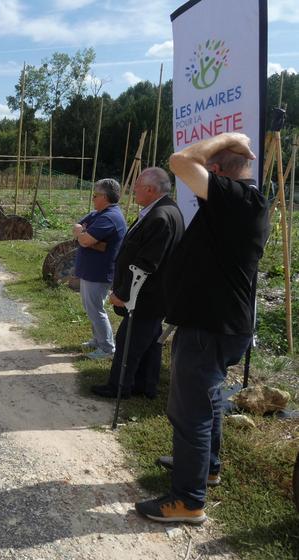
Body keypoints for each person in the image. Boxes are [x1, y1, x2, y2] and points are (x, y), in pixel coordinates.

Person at [135, 132, 270, 524]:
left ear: (214, 172)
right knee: (207, 401)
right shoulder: (241, 203)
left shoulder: (237, 198)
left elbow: (179, 161)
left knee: (189, 412)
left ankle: (188, 500)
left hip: (209, 326)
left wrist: (230, 137)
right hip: (219, 323)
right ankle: (207, 466)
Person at [90, 168, 184, 399]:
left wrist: (123, 294)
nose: (133, 192)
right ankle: (145, 384)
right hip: (155, 296)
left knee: (129, 341)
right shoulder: (163, 210)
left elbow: (145, 264)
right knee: (150, 340)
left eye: (137, 188)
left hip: (146, 297)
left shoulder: (161, 217)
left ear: (150, 189)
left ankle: (119, 386)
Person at [72, 179, 127, 359]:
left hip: (99, 272)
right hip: (91, 271)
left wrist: (84, 236)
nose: (93, 198)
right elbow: (78, 228)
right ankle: (98, 339)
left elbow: (85, 239)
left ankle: (107, 348)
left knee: (96, 309)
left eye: (95, 195)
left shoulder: (109, 217)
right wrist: (84, 235)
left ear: (105, 197)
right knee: (91, 308)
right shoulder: (98, 214)